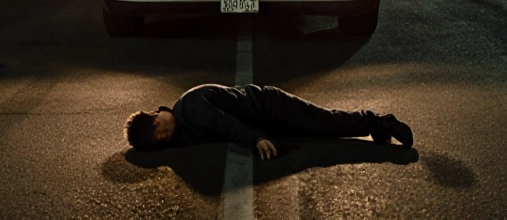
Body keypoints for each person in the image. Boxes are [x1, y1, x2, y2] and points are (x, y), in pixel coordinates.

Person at [124, 84, 413, 159]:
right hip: (267, 121)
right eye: (160, 144)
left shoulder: (190, 107)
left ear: (156, 118)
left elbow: (226, 124)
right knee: (321, 133)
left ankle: (381, 122)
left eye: (159, 134)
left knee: (326, 123)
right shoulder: (181, 126)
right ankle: (375, 128)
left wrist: (256, 139)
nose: (165, 139)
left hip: (273, 107)